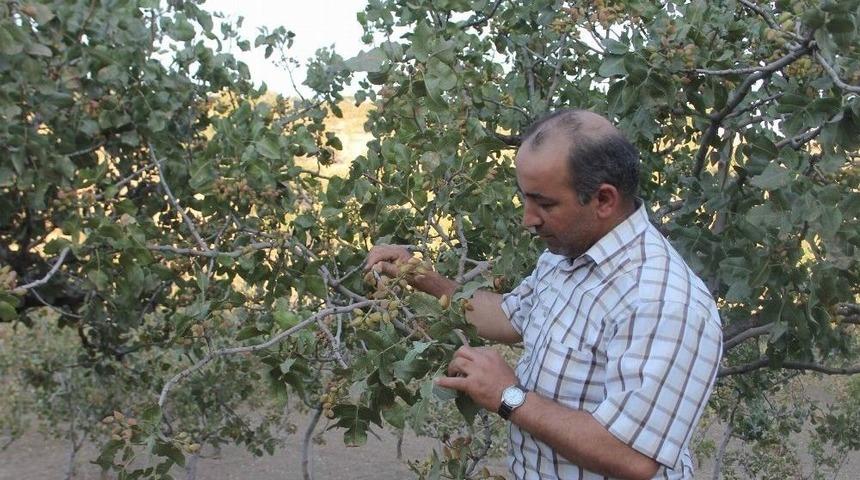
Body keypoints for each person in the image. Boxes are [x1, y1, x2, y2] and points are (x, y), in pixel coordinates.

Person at [366, 109, 722, 480]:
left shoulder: (664, 302)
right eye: (525, 199)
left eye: (545, 204)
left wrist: (508, 396)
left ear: (603, 200)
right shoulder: (567, 253)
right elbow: (508, 315)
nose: (528, 219)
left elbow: (632, 456)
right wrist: (419, 275)